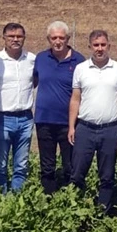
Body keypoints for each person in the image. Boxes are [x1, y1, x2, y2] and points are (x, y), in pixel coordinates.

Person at [68, 30, 117, 211]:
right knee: (77, 173)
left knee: (107, 175)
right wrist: (71, 127)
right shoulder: (81, 69)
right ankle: (75, 210)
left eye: (103, 45)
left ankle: (103, 212)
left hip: (110, 129)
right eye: (96, 45)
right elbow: (75, 99)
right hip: (85, 128)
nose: (99, 48)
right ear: (90, 47)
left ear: (109, 46)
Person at [34, 21, 86, 194]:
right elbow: (33, 81)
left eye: (61, 38)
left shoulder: (79, 61)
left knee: (70, 165)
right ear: (48, 39)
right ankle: (48, 199)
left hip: (68, 123)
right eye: (54, 38)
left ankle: (70, 198)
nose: (57, 42)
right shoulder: (41, 58)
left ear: (68, 39)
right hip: (44, 121)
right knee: (47, 166)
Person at [0, 23, 36, 193]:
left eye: (19, 36)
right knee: (0, 163)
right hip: (2, 118)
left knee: (22, 164)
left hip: (25, 118)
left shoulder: (32, 59)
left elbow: (35, 82)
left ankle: (18, 197)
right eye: (11, 36)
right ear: (4, 38)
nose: (15, 39)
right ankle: (1, 197)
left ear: (24, 38)